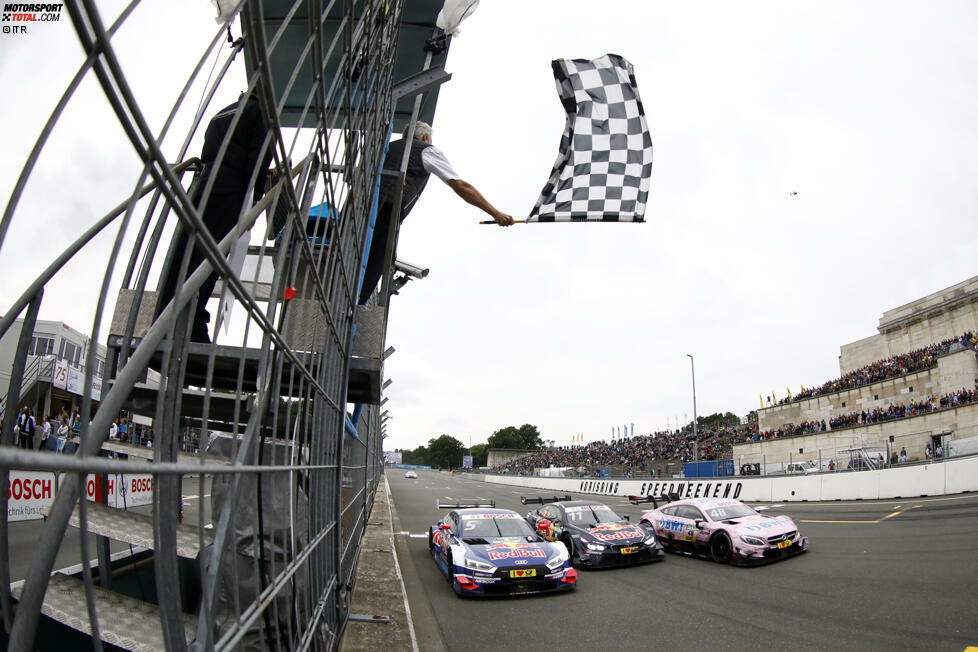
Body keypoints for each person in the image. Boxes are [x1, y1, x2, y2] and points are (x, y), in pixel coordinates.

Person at [157, 92, 274, 343]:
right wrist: (253, 203)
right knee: (210, 261)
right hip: (228, 194)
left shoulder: (223, 112)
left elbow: (222, 150)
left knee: (183, 257)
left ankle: (163, 320)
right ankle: (193, 328)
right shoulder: (262, 113)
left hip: (200, 190)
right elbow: (257, 159)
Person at [358, 121, 514, 305]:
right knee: (380, 256)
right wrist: (495, 213)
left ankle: (346, 298)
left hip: (359, 203)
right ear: (425, 138)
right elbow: (460, 186)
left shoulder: (386, 148)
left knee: (356, 251)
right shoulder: (426, 150)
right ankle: (357, 304)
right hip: (387, 206)